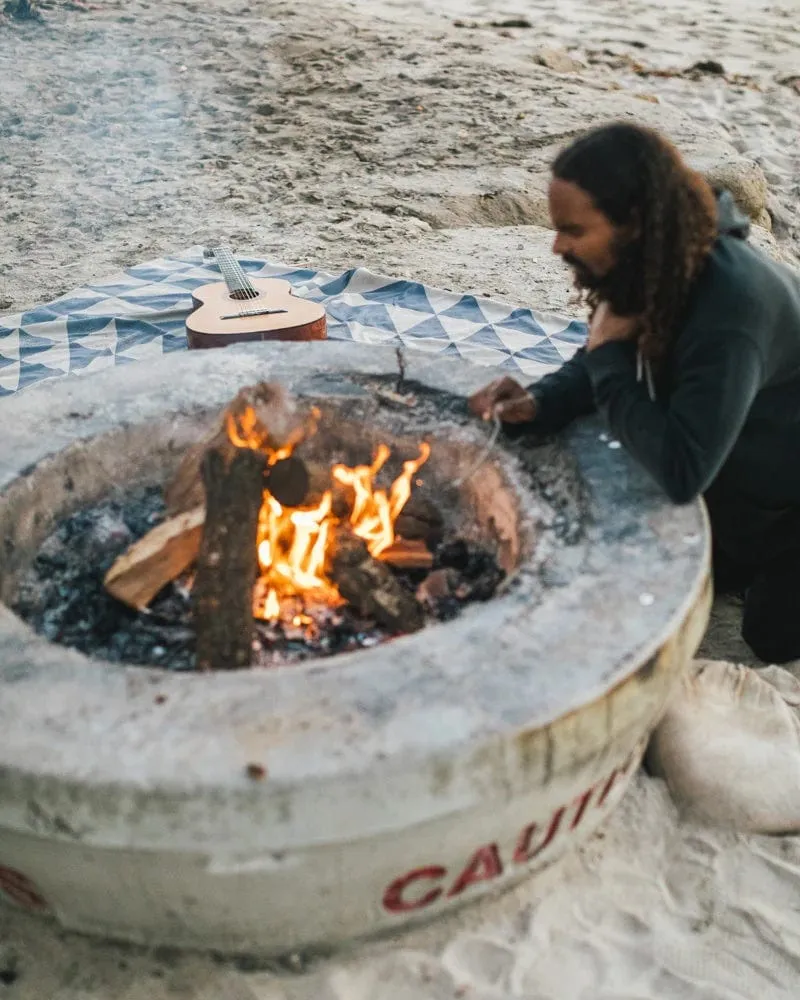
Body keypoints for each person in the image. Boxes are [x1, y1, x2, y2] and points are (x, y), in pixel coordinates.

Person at [469, 122, 800, 665]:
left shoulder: (732, 309)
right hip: (748, 464)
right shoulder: (665, 255)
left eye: (573, 230)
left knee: (771, 632)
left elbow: (681, 471)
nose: (557, 246)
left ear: (635, 224)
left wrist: (606, 363)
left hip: (777, 486)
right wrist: (545, 399)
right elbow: (614, 341)